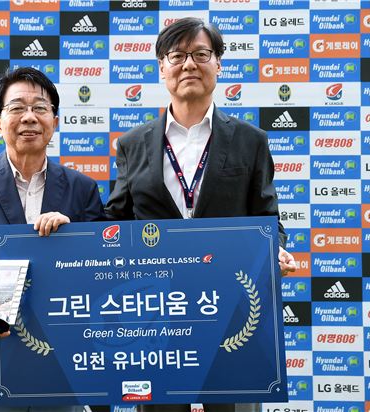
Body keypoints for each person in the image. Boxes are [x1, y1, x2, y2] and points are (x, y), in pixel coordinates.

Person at [105, 17, 296, 412]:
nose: (189, 64)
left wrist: (274, 250)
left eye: (200, 54)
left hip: (231, 311)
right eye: (177, 56)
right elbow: (116, 222)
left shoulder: (250, 140)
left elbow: (267, 219)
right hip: (158, 317)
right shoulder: (132, 144)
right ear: (162, 67)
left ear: (218, 64)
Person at [0, 67, 105, 412]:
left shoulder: (82, 189)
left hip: (61, 357)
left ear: (54, 121)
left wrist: (74, 236)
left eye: (40, 108)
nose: (29, 117)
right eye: (17, 108)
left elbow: (101, 266)